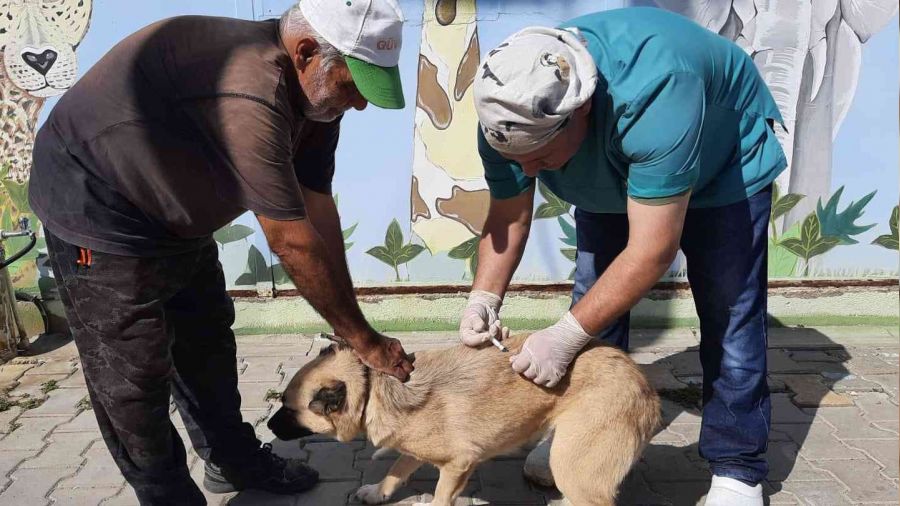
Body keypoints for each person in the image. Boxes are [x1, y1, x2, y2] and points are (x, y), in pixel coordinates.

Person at [27, 0, 413, 504]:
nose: (360, 104)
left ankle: (233, 460)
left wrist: (354, 329)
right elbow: (291, 240)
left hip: (174, 212)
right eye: (354, 85)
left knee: (205, 337)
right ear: (305, 53)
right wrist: (363, 339)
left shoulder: (318, 101)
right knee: (132, 373)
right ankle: (167, 495)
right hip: (97, 208)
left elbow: (317, 210)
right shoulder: (250, 93)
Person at [459, 8, 787, 506]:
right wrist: (483, 298)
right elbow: (508, 217)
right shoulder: (508, 111)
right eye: (516, 159)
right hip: (616, 161)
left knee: (730, 313)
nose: (529, 171)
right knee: (595, 305)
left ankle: (737, 468)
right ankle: (586, 441)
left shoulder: (654, 90)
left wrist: (562, 337)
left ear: (581, 110)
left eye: (539, 157)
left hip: (724, 165)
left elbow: (651, 251)